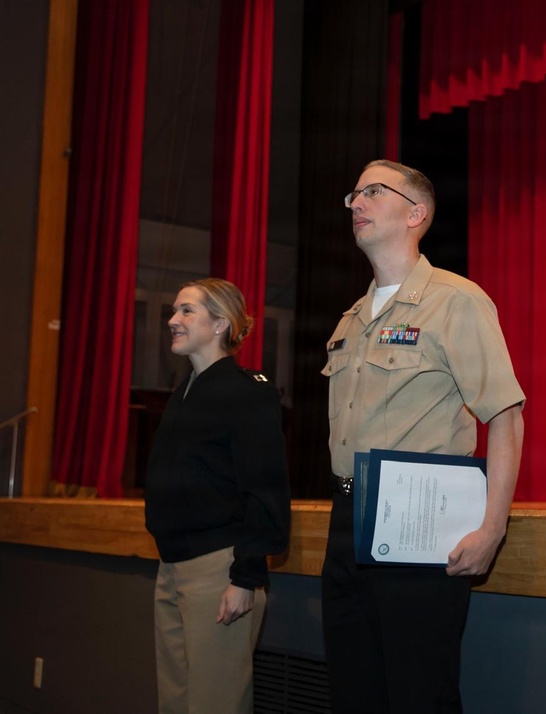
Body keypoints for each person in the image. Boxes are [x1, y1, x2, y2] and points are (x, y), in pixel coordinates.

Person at [321, 159, 525, 713]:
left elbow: (505, 416)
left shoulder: (456, 301)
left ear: (416, 213)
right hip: (346, 521)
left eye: (372, 192)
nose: (356, 203)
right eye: (353, 194)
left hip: (419, 527)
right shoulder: (350, 319)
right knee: (353, 693)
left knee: (418, 695)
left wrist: (493, 525)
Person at [145, 277, 291, 714]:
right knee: (176, 701)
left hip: (219, 571)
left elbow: (266, 489)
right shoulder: (183, 392)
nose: (173, 320)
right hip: (171, 565)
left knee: (215, 704)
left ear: (221, 324)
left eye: (187, 311)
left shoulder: (249, 393)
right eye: (175, 310)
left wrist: (245, 577)